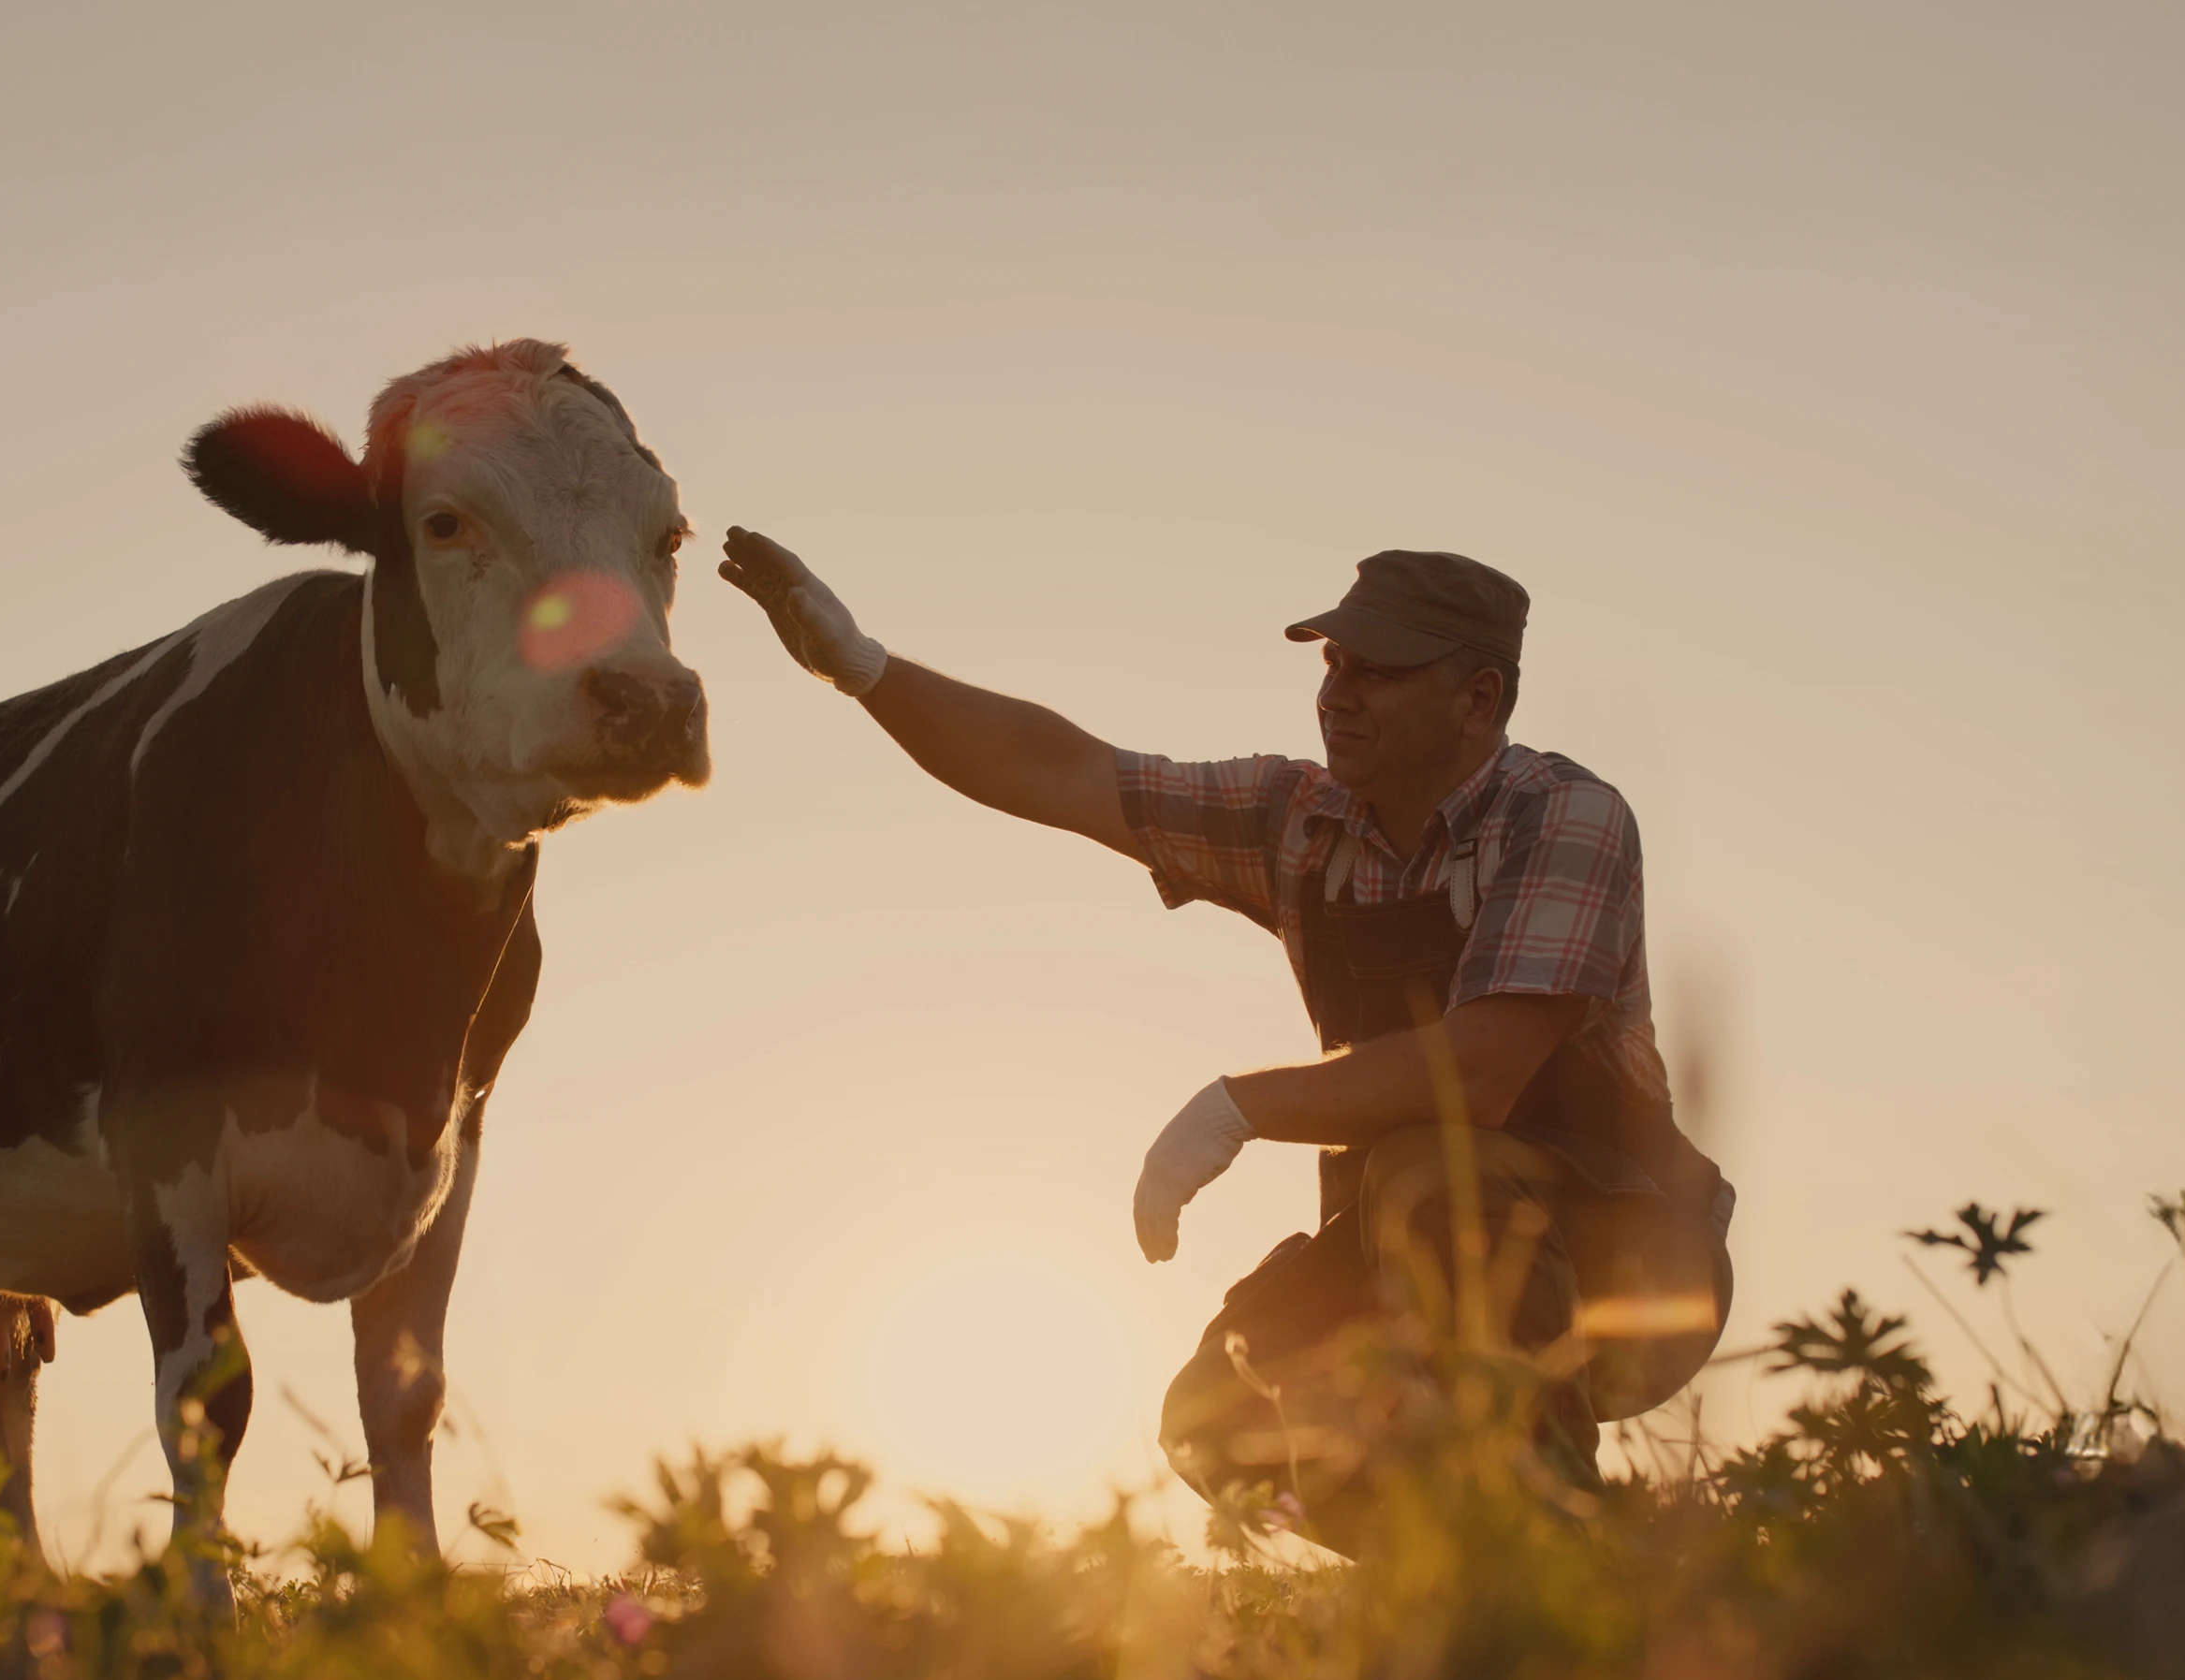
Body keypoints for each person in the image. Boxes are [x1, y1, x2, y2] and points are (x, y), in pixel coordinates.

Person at [717, 531, 1733, 1552]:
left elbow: (1480, 1072)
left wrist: (1238, 1106)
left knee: (1433, 1171)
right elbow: (1059, 769)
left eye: (1377, 672)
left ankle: (1553, 1574)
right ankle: (1456, 1587)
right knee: (1220, 1421)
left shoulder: (1564, 816)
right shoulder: (1294, 822)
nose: (1338, 693)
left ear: (1477, 700)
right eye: (1333, 663)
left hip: (1632, 1270)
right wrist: (863, 670)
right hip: (1412, 1255)